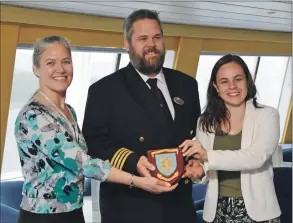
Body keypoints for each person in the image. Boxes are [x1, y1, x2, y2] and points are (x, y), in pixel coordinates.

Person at [14, 35, 178, 223]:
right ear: (36, 69)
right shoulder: (34, 116)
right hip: (42, 216)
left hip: (73, 211)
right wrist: (137, 181)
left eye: (66, 61)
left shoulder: (69, 112)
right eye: (51, 63)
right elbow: (82, 162)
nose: (60, 69)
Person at [82, 9, 203, 223]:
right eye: (143, 38)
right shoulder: (105, 90)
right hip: (130, 208)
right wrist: (133, 161)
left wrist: (197, 163)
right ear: (127, 44)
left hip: (180, 207)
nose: (152, 45)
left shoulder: (187, 85)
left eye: (157, 37)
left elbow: (193, 138)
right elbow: (94, 146)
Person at [180, 54, 281, 223]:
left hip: (260, 213)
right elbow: (206, 172)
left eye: (238, 79)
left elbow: (256, 157)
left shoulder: (268, 115)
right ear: (216, 87)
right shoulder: (205, 122)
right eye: (224, 81)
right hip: (216, 211)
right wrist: (197, 171)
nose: (232, 86)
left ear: (247, 81)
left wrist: (207, 156)